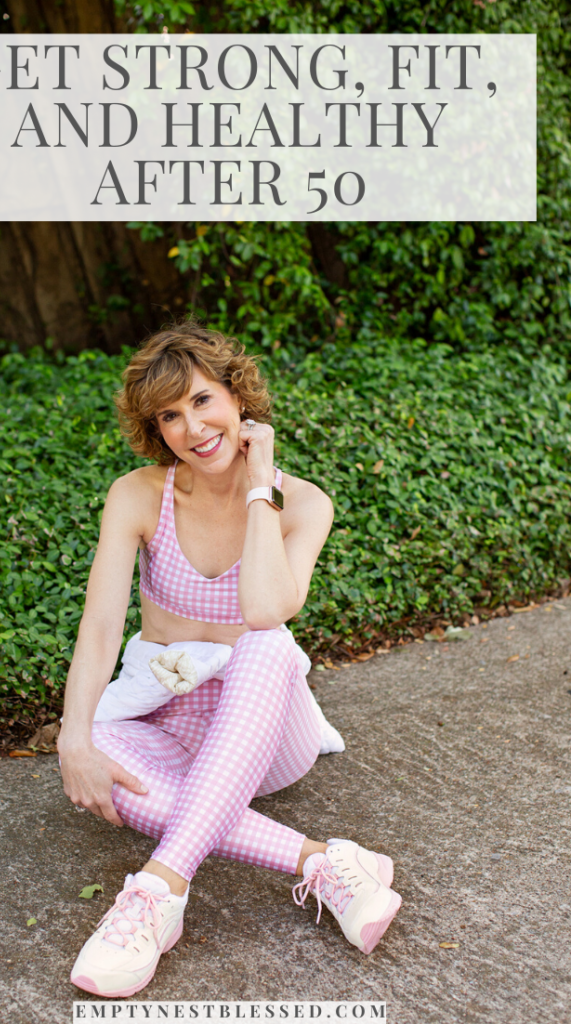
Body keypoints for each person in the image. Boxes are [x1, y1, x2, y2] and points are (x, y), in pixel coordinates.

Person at [57, 321, 401, 998]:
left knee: (265, 641)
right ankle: (325, 864)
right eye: (169, 415)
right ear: (155, 429)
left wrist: (257, 486)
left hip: (268, 730)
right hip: (172, 718)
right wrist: (73, 737)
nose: (191, 427)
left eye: (202, 401)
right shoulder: (137, 495)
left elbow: (267, 611)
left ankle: (156, 894)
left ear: (238, 396)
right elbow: (99, 628)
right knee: (100, 748)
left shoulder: (302, 503)